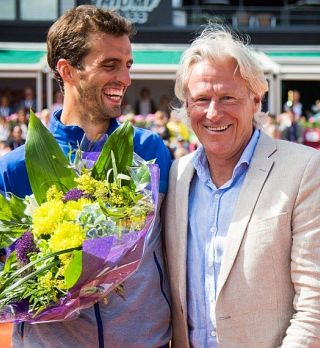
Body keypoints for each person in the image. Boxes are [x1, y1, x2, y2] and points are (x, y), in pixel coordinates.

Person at [0, 5, 171, 347]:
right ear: (67, 70)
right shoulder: (15, 169)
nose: (125, 79)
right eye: (109, 65)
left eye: (127, 65)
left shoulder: (151, 152)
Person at [164, 24, 320, 347]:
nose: (212, 112)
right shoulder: (176, 176)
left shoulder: (304, 170)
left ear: (256, 100)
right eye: (201, 99)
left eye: (227, 98)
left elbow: (314, 305)